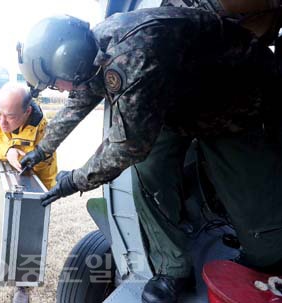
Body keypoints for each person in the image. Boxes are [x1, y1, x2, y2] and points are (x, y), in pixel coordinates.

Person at [17, 7, 282, 303]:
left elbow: (125, 147)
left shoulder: (131, 56)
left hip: (235, 96)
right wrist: (42, 150)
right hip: (176, 98)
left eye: (56, 83)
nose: (59, 89)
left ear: (71, 63)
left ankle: (264, 259)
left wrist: (73, 181)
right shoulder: (92, 50)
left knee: (255, 200)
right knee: (148, 173)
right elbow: (79, 101)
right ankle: (173, 267)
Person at [0, 82, 57, 303]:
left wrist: (43, 198)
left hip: (30, 177)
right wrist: (7, 151)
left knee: (26, 228)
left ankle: (23, 282)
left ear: (27, 111)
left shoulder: (41, 127)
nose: (1, 122)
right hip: (4, 172)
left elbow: (46, 167)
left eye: (9, 116)